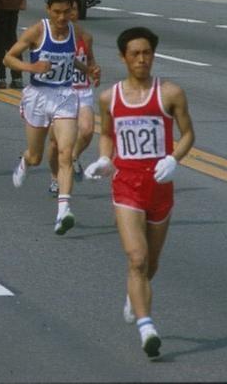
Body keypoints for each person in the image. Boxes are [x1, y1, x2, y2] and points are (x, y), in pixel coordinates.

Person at [83, 27, 195, 360]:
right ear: (123, 57)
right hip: (127, 185)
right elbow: (107, 133)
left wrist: (174, 159)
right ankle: (147, 328)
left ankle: (135, 297)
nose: (142, 59)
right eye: (135, 54)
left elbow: (188, 134)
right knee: (137, 258)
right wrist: (104, 158)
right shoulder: (110, 97)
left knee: (152, 263)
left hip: (160, 186)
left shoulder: (170, 93)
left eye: (147, 53)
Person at [3, 0, 98, 235]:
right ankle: (25, 161)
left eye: (67, 11)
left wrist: (87, 70)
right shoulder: (38, 30)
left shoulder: (75, 32)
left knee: (65, 153)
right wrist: (31, 66)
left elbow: (68, 57)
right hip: (38, 96)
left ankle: (63, 211)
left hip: (65, 96)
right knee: (36, 156)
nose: (62, 17)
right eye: (57, 12)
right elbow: (8, 58)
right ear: (48, 10)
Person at [47, 0, 100, 195]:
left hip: (82, 90)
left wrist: (94, 71)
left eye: (74, 10)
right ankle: (54, 177)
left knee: (86, 131)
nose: (70, 14)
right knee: (54, 142)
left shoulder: (86, 37)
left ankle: (73, 157)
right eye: (68, 10)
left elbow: (90, 60)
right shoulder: (52, 35)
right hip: (59, 92)